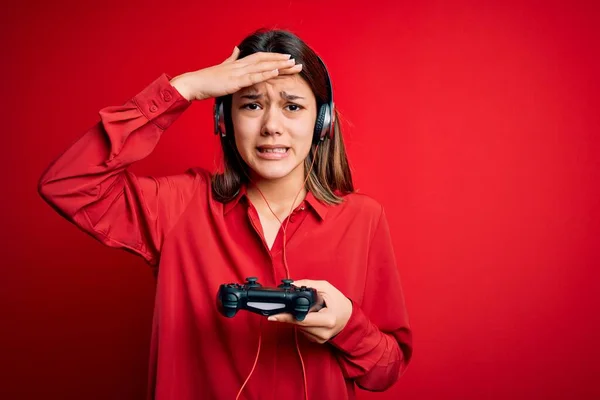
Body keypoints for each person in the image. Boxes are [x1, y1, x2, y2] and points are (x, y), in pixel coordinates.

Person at [38, 28, 413, 400]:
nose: (271, 126)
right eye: (251, 105)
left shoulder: (364, 219)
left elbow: (385, 370)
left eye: (293, 106)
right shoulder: (181, 205)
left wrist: (347, 325)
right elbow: (68, 184)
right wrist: (183, 89)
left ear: (322, 123)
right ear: (224, 121)